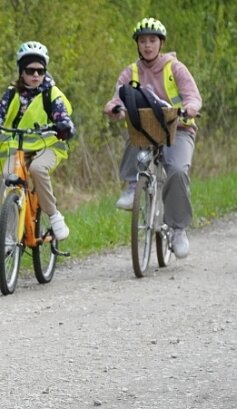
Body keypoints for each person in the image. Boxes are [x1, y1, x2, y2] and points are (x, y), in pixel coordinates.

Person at [103, 17, 201, 259]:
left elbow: (192, 96)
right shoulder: (131, 71)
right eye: (143, 41)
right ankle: (132, 186)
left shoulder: (174, 67)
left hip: (178, 129)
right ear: (137, 44)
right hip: (146, 129)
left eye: (152, 40)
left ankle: (178, 229)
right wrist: (113, 108)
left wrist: (190, 108)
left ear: (161, 43)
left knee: (177, 171)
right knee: (132, 136)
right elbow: (116, 98)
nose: (147, 45)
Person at [0, 41, 75, 250]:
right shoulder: (12, 93)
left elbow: (62, 116)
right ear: (21, 72)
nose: (36, 75)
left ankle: (53, 216)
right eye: (30, 70)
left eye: (40, 70)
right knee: (10, 180)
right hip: (18, 146)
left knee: (37, 169)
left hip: (48, 146)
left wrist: (63, 127)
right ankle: (8, 237)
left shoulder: (51, 94)